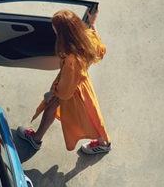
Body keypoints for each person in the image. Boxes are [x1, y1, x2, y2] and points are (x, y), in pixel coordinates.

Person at [17, 8, 112, 155]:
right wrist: (93, 24)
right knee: (82, 114)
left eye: (55, 28)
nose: (53, 30)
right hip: (81, 83)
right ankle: (36, 138)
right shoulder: (87, 37)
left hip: (73, 90)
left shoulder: (71, 60)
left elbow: (66, 90)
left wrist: (51, 93)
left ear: (62, 33)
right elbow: (100, 48)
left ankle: (104, 143)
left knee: (88, 118)